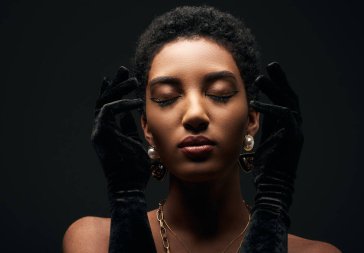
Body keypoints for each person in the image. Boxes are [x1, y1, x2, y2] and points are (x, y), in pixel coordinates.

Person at [63, 6, 341, 253]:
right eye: (166, 98)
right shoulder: (93, 241)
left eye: (220, 93)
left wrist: (273, 202)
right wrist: (127, 200)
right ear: (146, 129)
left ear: (253, 119)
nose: (195, 114)